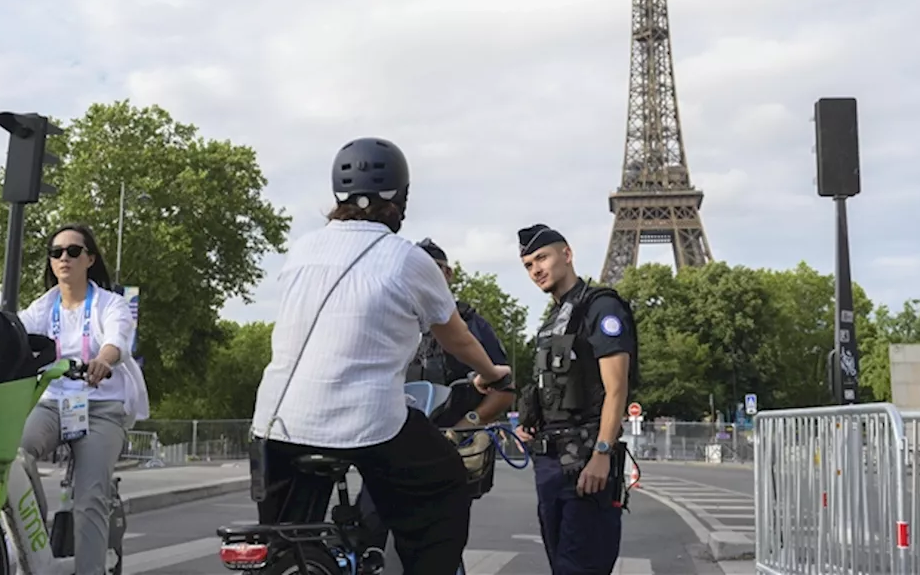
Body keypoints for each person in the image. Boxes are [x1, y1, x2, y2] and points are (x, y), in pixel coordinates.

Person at [248, 137, 512, 575]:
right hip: (366, 419)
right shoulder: (408, 259)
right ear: (400, 198)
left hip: (276, 420)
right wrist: (490, 373)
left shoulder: (302, 249)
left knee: (285, 538)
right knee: (444, 487)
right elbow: (458, 338)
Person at [355, 237, 517, 558]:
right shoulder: (392, 320)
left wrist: (466, 424)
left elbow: (505, 391)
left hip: (447, 444)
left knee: (440, 545)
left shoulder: (471, 325)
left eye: (432, 270)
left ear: (449, 274)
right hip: (390, 440)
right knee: (366, 532)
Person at [16, 223, 151, 575]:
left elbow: (118, 339)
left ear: (89, 259)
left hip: (102, 407)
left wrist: (104, 360)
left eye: (73, 251)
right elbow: (14, 332)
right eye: (56, 251)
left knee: (90, 497)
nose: (64, 257)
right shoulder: (43, 308)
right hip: (51, 403)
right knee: (15, 455)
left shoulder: (111, 303)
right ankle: (36, 539)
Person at [513, 224, 640, 575]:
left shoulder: (600, 308)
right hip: (551, 462)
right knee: (563, 565)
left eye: (542, 257)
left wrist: (602, 453)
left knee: (580, 567)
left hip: (586, 460)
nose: (536, 269)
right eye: (528, 264)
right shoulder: (554, 319)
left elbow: (617, 388)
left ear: (566, 254)